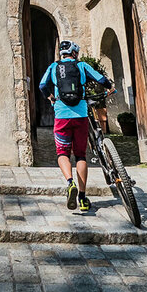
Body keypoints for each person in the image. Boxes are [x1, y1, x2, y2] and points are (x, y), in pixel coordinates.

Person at [38, 39, 114, 212]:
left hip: (61, 115)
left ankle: (69, 182)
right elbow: (101, 78)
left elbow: (42, 85)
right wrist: (110, 87)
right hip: (80, 115)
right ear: (74, 53)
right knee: (80, 155)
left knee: (62, 153)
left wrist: (51, 98)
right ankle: (82, 197)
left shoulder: (53, 66)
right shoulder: (81, 66)